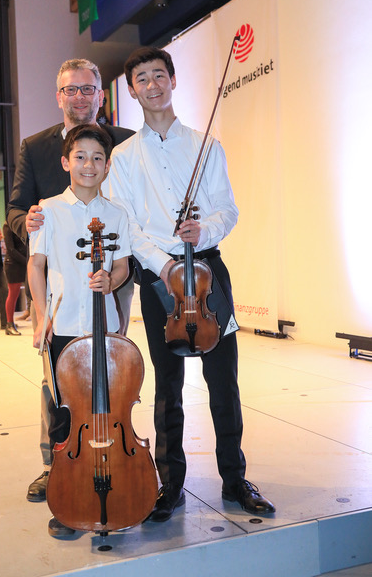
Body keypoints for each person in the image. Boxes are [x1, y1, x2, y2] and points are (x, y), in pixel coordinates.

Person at [108, 46, 276, 522]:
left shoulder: (206, 144)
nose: (152, 85)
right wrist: (162, 264)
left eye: (159, 75)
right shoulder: (123, 157)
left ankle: (235, 479)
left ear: (173, 80)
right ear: (132, 90)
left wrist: (204, 231)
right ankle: (171, 484)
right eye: (142, 79)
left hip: (207, 275)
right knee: (168, 387)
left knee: (224, 382)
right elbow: (127, 224)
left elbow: (228, 209)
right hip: (159, 278)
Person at [6, 58, 135, 502]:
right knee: (58, 385)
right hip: (60, 283)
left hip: (111, 275)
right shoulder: (35, 146)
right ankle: (57, 465)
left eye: (88, 88)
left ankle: (114, 456)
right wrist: (29, 222)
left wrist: (116, 277)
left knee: (114, 378)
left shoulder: (126, 143)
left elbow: (137, 209)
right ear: (58, 95)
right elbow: (17, 208)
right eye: (71, 89)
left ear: (101, 94)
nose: (79, 97)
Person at [28, 124, 131, 537]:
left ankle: (114, 479)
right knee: (64, 415)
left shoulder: (117, 213)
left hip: (105, 328)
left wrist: (111, 280)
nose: (89, 165)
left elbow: (122, 266)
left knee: (108, 410)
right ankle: (66, 495)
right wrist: (41, 317)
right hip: (64, 326)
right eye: (81, 157)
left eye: (98, 158)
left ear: (107, 166)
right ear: (65, 162)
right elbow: (36, 266)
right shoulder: (48, 210)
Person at [2, 222, 28, 335]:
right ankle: (9, 324)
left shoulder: (25, 222)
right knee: (13, 294)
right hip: (13, 264)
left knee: (33, 292)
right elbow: (11, 249)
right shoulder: (7, 226)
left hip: (26, 261)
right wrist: (27, 261)